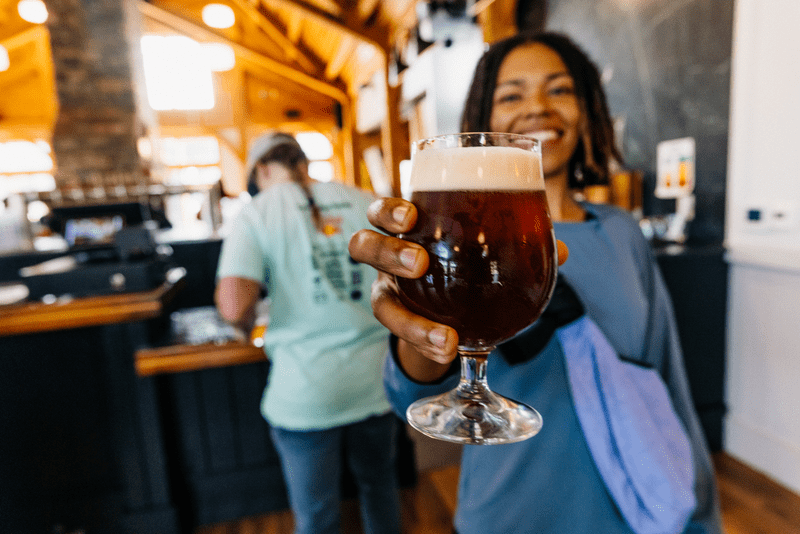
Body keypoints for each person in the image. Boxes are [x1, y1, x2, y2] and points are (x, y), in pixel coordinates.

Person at [348, 32, 723, 534]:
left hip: (634, 509)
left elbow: (666, 379)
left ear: (586, 110)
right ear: (483, 119)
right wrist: (418, 327)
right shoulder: (449, 236)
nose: (539, 108)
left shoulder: (620, 231)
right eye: (511, 94)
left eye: (560, 90)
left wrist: (699, 508)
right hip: (506, 515)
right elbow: (405, 396)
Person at [215, 132, 401, 534]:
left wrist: (245, 325)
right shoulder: (360, 198)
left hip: (306, 392)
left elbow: (233, 304)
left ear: (262, 170)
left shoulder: (257, 211)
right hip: (376, 380)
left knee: (316, 515)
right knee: (380, 489)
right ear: (301, 161)